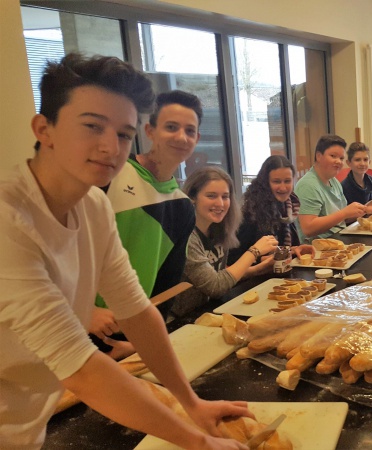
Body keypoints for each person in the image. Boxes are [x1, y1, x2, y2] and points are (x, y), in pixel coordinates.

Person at [0, 53, 250, 449]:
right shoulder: (8, 219)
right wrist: (200, 442)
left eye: (122, 134)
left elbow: (136, 310)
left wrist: (192, 403)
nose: (109, 147)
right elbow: (79, 366)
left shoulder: (93, 206)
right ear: (43, 129)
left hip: (27, 425)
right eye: (92, 126)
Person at [92, 90, 201, 357]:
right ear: (150, 131)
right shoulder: (110, 175)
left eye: (190, 130)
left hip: (128, 336)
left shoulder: (183, 206)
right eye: (171, 127)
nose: (181, 137)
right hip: (79, 323)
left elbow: (166, 287)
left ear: (197, 138)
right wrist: (84, 309)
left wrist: (142, 343)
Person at [172, 167, 280, 316]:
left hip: (209, 310)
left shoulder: (219, 229)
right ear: (192, 198)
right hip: (181, 320)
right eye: (211, 196)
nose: (220, 204)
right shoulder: (187, 236)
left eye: (225, 196)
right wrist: (254, 252)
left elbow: (220, 275)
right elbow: (215, 287)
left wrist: (257, 270)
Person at [230, 155, 315, 263]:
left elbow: (280, 250)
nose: (283, 187)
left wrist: (295, 249)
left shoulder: (288, 208)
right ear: (265, 183)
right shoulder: (252, 212)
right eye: (277, 182)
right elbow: (234, 259)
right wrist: (260, 259)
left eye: (287, 181)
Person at [295, 134, 367, 242]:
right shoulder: (307, 185)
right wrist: (345, 213)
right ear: (319, 156)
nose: (338, 161)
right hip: (318, 249)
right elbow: (308, 228)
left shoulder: (334, 181)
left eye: (341, 158)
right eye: (333, 156)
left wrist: (364, 210)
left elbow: (341, 219)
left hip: (340, 239)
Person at [340, 142, 372, 209]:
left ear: (369, 162)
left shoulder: (370, 181)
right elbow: (346, 217)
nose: (362, 163)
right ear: (349, 163)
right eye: (357, 160)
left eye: (365, 160)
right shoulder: (344, 187)